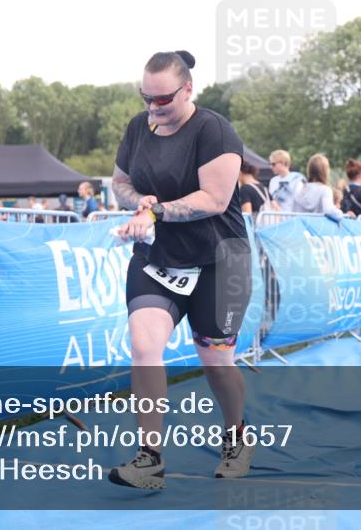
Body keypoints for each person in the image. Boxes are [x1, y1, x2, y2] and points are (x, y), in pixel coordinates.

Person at [109, 50, 254, 489]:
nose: (153, 108)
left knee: (216, 364)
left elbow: (213, 198)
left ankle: (236, 436)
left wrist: (156, 214)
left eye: (163, 99)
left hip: (219, 260)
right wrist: (138, 202)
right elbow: (119, 183)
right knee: (144, 344)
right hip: (159, 260)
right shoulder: (138, 127)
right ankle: (149, 458)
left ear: (188, 89)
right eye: (146, 98)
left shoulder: (213, 129)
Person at [292, 153, 345, 220]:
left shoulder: (300, 189)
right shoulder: (325, 190)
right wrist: (341, 214)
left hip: (301, 227)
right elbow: (328, 210)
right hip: (317, 228)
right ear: (325, 171)